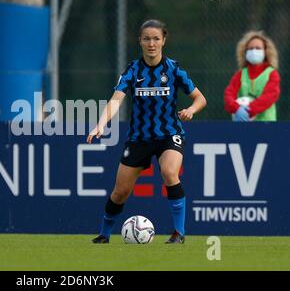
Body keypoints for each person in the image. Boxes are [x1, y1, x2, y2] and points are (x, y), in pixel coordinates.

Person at [87, 19, 206, 244]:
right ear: (140, 41)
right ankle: (104, 233)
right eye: (146, 39)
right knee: (121, 191)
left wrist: (191, 109)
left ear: (163, 40)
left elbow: (200, 98)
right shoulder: (132, 70)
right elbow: (116, 100)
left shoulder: (173, 69)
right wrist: (102, 123)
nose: (151, 43)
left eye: (156, 39)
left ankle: (179, 233)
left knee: (170, 172)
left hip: (169, 134)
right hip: (139, 138)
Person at [224, 30, 280, 122]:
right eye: (250, 48)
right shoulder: (240, 74)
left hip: (266, 125)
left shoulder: (272, 74)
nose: (254, 51)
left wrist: (248, 110)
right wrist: (236, 108)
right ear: (245, 52)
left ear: (266, 51)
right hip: (243, 125)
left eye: (258, 48)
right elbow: (229, 94)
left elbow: (269, 96)